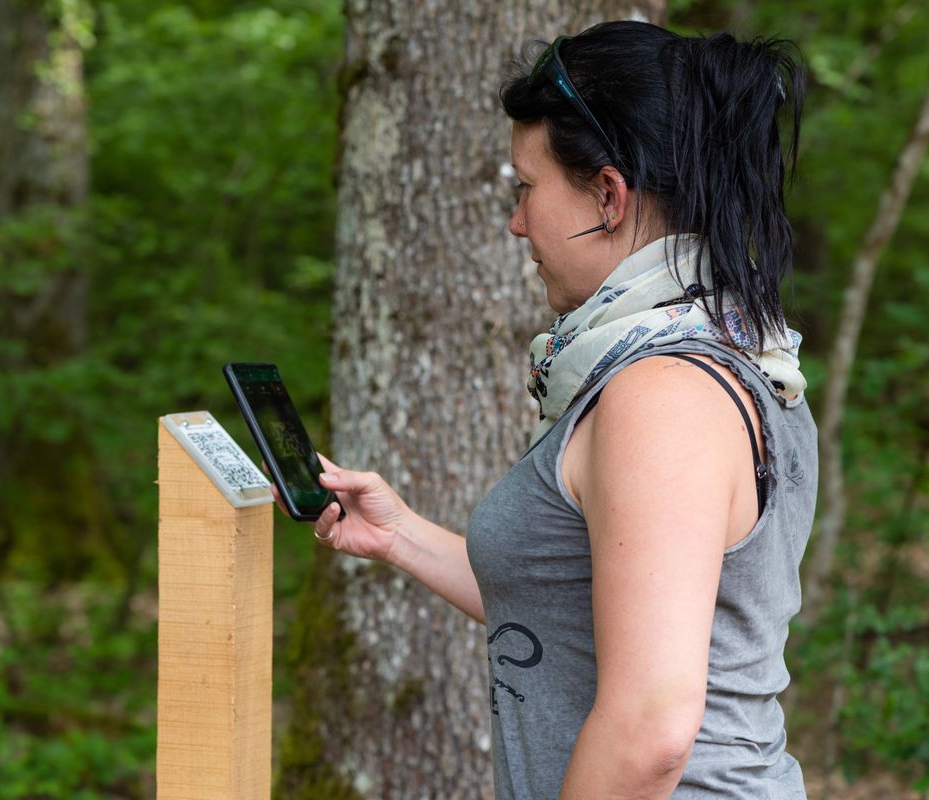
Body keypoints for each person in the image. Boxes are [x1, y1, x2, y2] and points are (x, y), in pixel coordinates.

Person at [283, 20, 816, 800]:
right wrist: (400, 538)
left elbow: (651, 731)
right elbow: (575, 608)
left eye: (527, 188)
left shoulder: (664, 393)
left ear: (607, 195)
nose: (516, 221)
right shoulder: (733, 350)